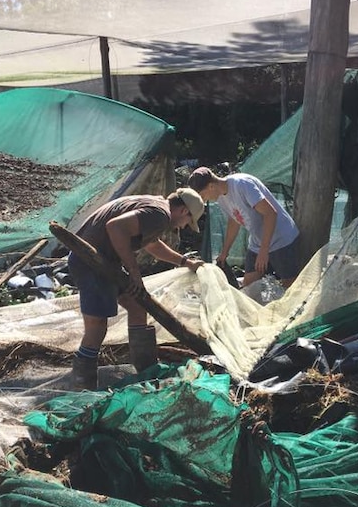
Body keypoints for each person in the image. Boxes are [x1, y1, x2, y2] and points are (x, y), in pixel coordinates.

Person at [69, 188, 205, 390]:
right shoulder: (160, 214)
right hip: (91, 262)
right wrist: (133, 271)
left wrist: (185, 261)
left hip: (107, 263)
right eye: (188, 222)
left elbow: (152, 245)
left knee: (137, 305)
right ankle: (82, 384)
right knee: (97, 326)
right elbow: (115, 228)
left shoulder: (156, 208)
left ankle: (145, 370)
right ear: (184, 210)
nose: (184, 227)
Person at [188, 166, 299, 289]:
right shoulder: (221, 198)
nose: (203, 200)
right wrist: (225, 252)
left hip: (281, 239)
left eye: (202, 195)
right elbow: (234, 221)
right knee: (249, 287)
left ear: (211, 186)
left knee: (290, 288)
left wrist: (264, 250)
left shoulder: (242, 185)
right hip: (257, 242)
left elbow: (270, 213)